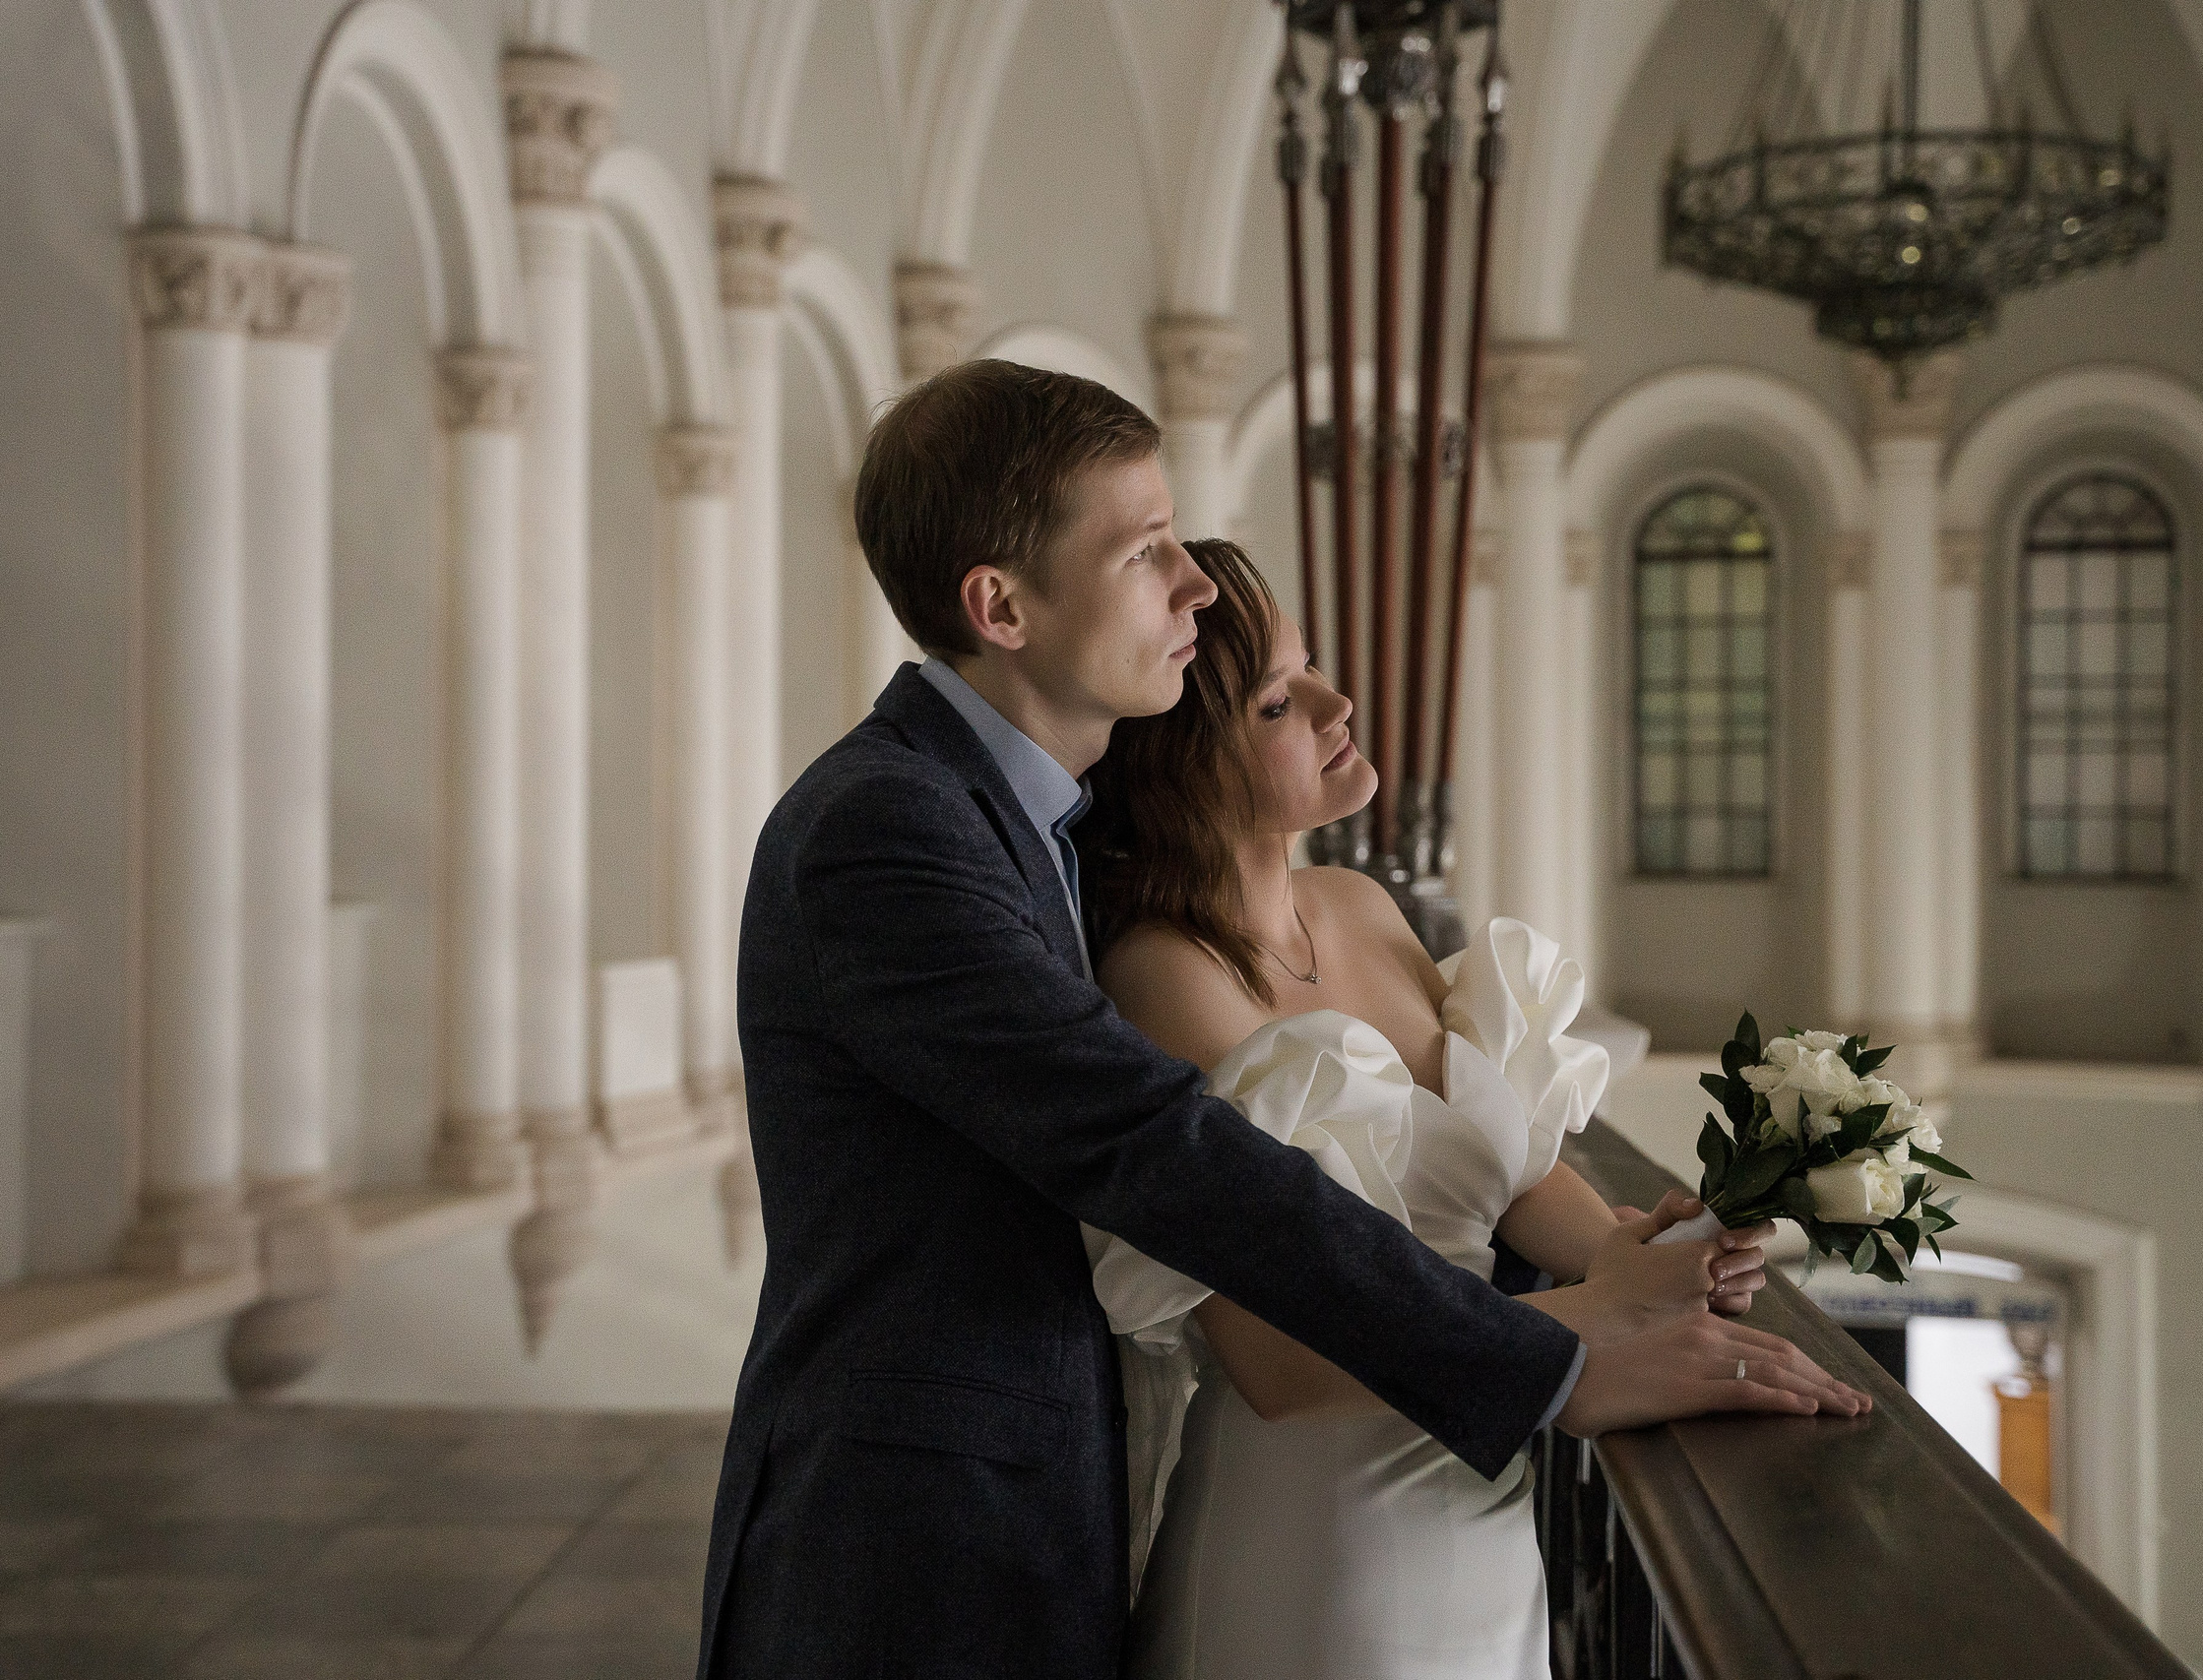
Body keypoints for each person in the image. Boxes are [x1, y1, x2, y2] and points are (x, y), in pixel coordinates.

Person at [698, 361, 1866, 1680]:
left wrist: (1607, 1268)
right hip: (908, 1553)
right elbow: (1154, 1145)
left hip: (1036, 1513)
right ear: (1001, 606)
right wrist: (1554, 1358)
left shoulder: (1034, 828)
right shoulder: (890, 826)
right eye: (1145, 550)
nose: (1193, 585)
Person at [1079, 537, 1830, 1679]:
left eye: (1309, 666)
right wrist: (1591, 1329)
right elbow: (1273, 1360)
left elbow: (1501, 1165)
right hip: (1320, 1546)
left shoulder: (1356, 904)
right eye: (1278, 702)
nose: (1335, 705)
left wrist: (1637, 1252)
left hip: (1481, 1514)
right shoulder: (1165, 977)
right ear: (1178, 764)